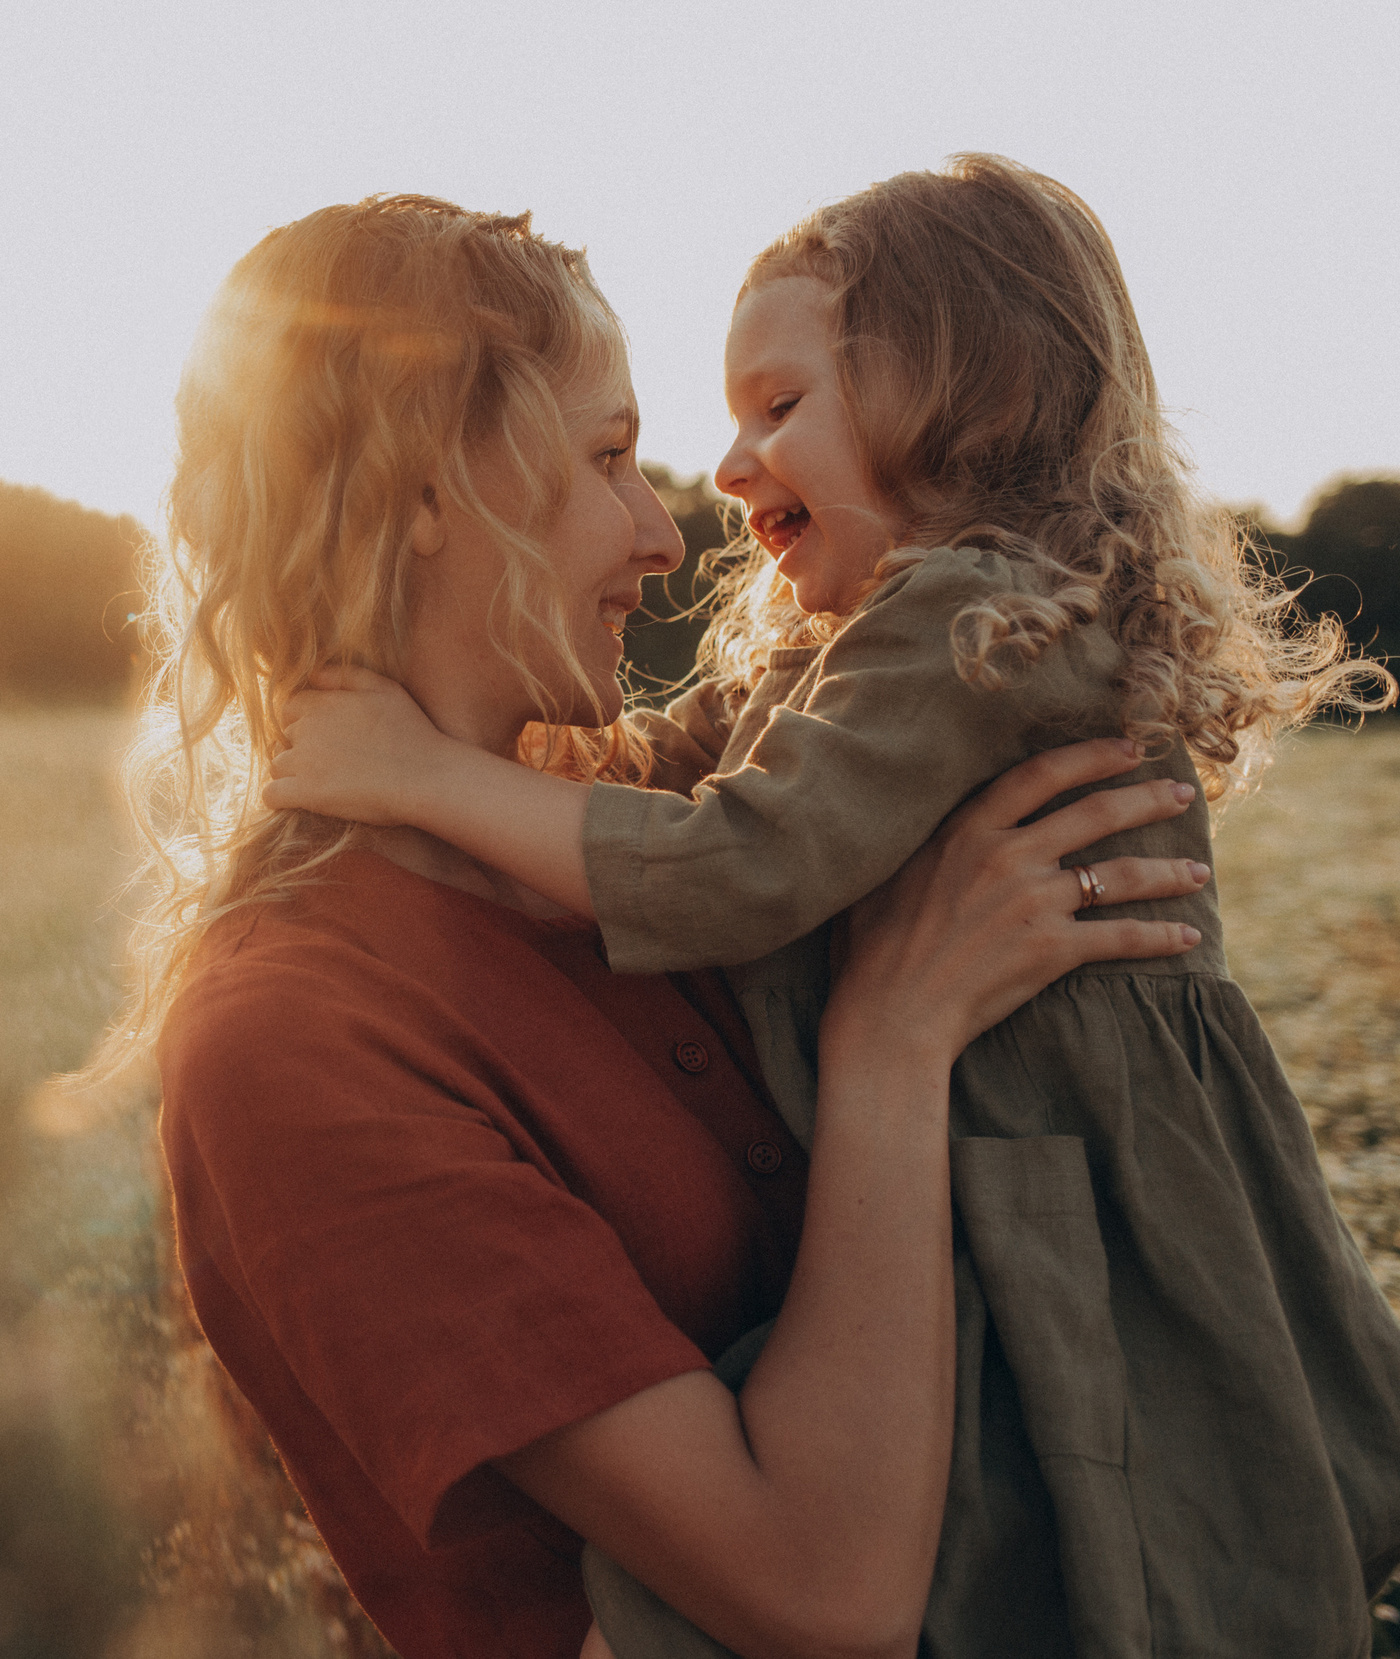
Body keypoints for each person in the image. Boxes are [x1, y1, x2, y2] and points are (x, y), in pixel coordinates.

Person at [264, 160, 1400, 1654]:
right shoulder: (888, 635)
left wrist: (421, 772)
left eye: (777, 407)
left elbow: (732, 861)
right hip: (990, 1179)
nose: (725, 474)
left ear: (953, 393)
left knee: (1136, 1535)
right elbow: (691, 774)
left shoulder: (975, 620)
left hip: (1073, 1191)